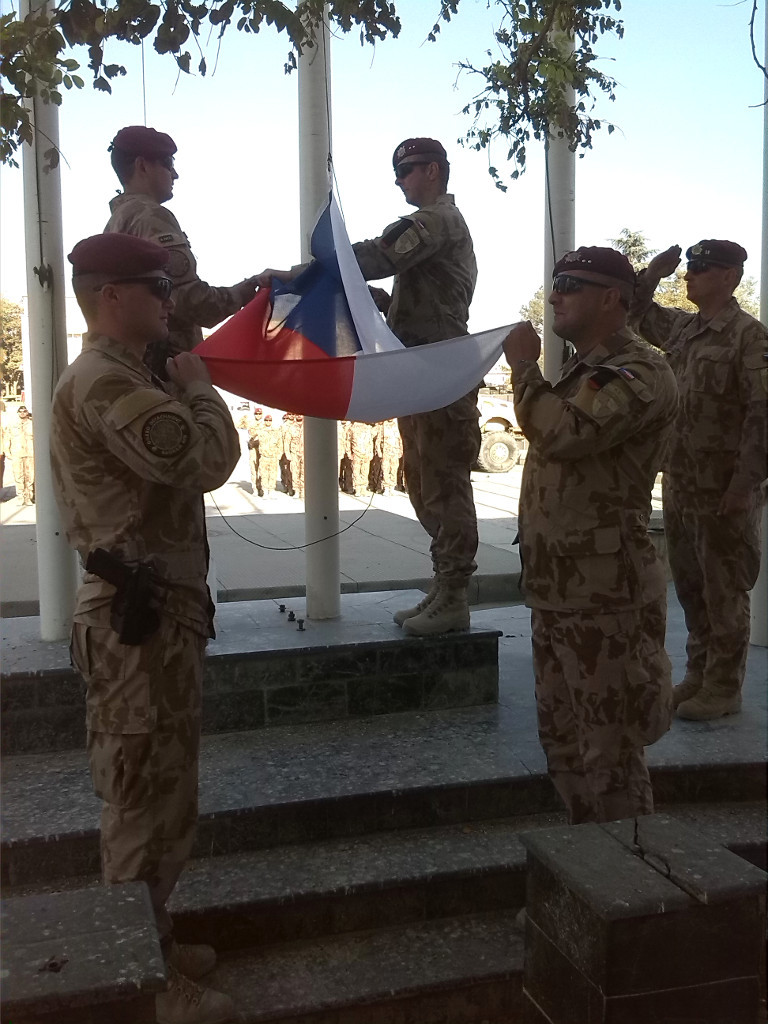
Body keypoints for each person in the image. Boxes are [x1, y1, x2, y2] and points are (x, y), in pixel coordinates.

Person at [50, 232, 240, 1024]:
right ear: (110, 297)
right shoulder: (102, 382)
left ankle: (153, 939)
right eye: (156, 287)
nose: (170, 300)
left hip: (161, 618)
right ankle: (142, 990)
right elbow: (203, 459)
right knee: (136, 806)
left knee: (167, 794)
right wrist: (199, 388)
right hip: (133, 629)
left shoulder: (130, 373)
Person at [258, 138, 480, 635]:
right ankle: (444, 588)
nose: (399, 180)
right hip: (419, 368)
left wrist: (318, 268)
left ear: (434, 171)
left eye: (406, 171)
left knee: (444, 482)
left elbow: (382, 254)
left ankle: (455, 595)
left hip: (437, 368)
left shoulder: (436, 221)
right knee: (424, 482)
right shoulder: (435, 226)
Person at [503, 246, 678, 825]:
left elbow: (565, 433)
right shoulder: (582, 373)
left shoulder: (641, 370)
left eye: (571, 285)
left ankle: (633, 893)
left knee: (612, 755)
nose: (555, 294)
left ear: (612, 299)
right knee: (567, 750)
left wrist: (524, 370)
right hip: (558, 592)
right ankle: (587, 885)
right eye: (556, 283)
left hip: (608, 597)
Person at [631, 240, 768, 721]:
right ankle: (699, 674)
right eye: (689, 269)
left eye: (702, 269)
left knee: (724, 588)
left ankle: (725, 686)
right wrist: (654, 272)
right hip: (682, 480)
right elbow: (632, 311)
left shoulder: (750, 338)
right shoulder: (685, 328)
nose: (690, 276)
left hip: (724, 487)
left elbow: (762, 415)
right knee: (689, 584)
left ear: (730, 277)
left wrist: (745, 485)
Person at [105, 125, 261, 376]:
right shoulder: (151, 216)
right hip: (167, 374)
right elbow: (191, 302)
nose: (175, 174)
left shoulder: (118, 220)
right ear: (142, 166)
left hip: (138, 370)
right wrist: (253, 288)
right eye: (168, 163)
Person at [4, 403, 35, 504]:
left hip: (30, 453)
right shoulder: (12, 424)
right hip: (17, 453)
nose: (22, 413)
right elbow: (7, 438)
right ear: (17, 413)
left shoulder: (32, 424)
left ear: (27, 412)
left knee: (30, 476)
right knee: (18, 475)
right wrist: (7, 451)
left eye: (24, 411)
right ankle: (20, 496)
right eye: (20, 411)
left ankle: (29, 497)